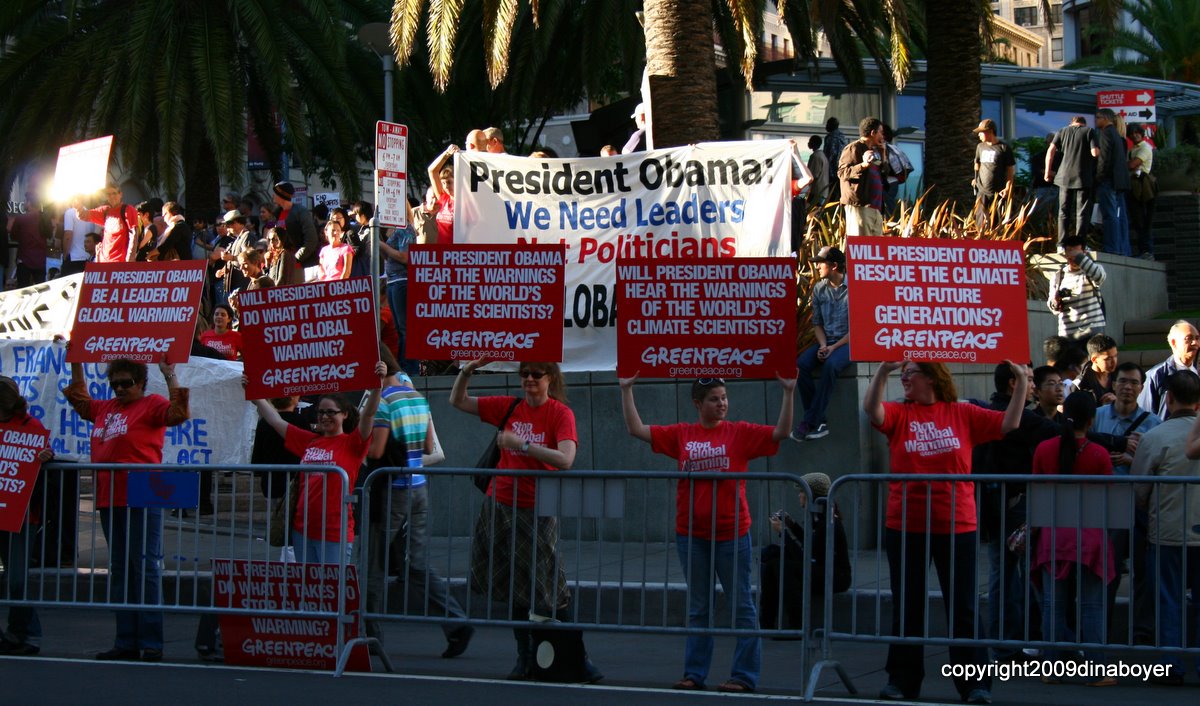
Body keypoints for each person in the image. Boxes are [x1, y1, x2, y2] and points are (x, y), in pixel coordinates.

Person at [864, 359, 1029, 704]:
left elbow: (1009, 423)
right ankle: (902, 681)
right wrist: (882, 371)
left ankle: (974, 684)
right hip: (906, 525)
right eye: (903, 373)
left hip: (957, 525)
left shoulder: (962, 412)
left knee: (963, 605)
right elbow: (872, 410)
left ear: (932, 378)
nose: (904, 378)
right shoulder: (899, 413)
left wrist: (1021, 381)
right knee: (907, 604)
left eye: (910, 373)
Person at [619, 374, 797, 693]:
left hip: (732, 534)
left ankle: (744, 676)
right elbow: (636, 429)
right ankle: (694, 674)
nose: (722, 404)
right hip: (691, 535)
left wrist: (788, 392)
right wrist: (626, 389)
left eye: (724, 397)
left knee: (742, 605)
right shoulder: (682, 434)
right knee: (699, 608)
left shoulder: (739, 432)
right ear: (697, 404)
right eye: (714, 399)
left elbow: (781, 432)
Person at [450, 359, 600, 682]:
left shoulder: (560, 413)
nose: (529, 379)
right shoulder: (510, 406)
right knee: (516, 586)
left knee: (550, 585)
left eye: (536, 374)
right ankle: (525, 657)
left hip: (538, 506)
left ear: (550, 378)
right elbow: (458, 401)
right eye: (524, 374)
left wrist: (524, 445)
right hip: (501, 503)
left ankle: (578, 657)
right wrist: (468, 370)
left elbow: (566, 459)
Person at [66, 356, 190, 661]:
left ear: (141, 383)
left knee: (144, 566)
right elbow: (81, 401)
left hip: (143, 490)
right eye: (115, 384)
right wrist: (76, 362)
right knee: (121, 568)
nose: (120, 389)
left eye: (126, 383)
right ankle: (126, 640)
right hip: (110, 494)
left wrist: (170, 375)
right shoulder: (106, 408)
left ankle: (151, 641)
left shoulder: (151, 404)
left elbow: (178, 414)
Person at [364, 347, 474, 658]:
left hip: (391, 488)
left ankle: (369, 634)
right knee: (415, 563)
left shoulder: (384, 402)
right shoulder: (417, 398)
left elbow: (376, 451)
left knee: (372, 562)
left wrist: (360, 439)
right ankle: (456, 621)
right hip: (418, 487)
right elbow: (427, 446)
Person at [246, 362, 385, 562]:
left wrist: (377, 386)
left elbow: (369, 414)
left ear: (345, 414)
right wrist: (255, 395)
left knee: (333, 581)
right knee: (307, 581)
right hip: (302, 530)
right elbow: (276, 421)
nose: (325, 417)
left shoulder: (353, 443)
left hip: (334, 531)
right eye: (321, 412)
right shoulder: (309, 441)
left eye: (331, 412)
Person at [1032, 391, 1117, 685]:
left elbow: (1036, 492)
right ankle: (1096, 670)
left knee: (1053, 605)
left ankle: (1050, 667)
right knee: (1092, 606)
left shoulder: (1044, 449)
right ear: (1091, 420)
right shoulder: (1099, 454)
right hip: (1090, 537)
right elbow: (1107, 499)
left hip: (1052, 536)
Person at [1133, 370, 1200, 684]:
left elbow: (1139, 490)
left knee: (1168, 598)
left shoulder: (1154, 437)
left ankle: (1171, 664)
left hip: (1168, 531)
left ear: (1168, 399)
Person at [1093, 361, 1160, 644]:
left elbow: (1159, 466)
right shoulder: (1096, 417)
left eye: (1134, 382)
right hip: (1105, 503)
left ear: (1141, 388)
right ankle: (1101, 631)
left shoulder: (1153, 423)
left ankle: (1142, 633)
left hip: (1141, 503)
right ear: (1113, 383)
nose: (1128, 387)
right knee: (1106, 570)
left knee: (1143, 571)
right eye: (1123, 381)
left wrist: (1134, 460)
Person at [0, 376, 54, 656]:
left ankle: (25, 633)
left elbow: (40, 460)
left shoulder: (30, 427)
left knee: (17, 579)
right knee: (12, 578)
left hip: (22, 514)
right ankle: (16, 634)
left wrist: (47, 457)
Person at [759, 472, 851, 632]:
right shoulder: (820, 516)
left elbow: (804, 557)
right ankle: (766, 623)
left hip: (836, 577)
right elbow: (811, 545)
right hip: (823, 571)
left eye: (802, 491)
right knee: (772, 560)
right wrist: (792, 525)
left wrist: (783, 532)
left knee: (783, 567)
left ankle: (796, 626)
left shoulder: (827, 522)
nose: (799, 495)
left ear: (811, 495)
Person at [792, 245, 849, 441]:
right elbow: (817, 323)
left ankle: (809, 422)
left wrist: (833, 348)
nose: (816, 267)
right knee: (801, 365)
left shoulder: (855, 288)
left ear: (833, 266)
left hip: (847, 343)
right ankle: (818, 422)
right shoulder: (819, 288)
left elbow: (858, 330)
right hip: (827, 341)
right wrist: (824, 345)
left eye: (820, 263)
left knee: (831, 366)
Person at [1045, 116, 1098, 245]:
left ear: (1072, 123)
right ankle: (1080, 244)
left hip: (1064, 176)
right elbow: (1095, 153)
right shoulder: (1089, 131)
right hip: (1082, 176)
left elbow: (1050, 151)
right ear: (1084, 124)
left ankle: (1061, 244)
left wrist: (1047, 172)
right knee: (1082, 212)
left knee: (1063, 211)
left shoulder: (1062, 131)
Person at [1048, 234, 1106, 345]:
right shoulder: (1058, 276)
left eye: (1077, 256)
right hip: (1068, 333)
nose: (1074, 260)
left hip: (1092, 329)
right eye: (1070, 256)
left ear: (1084, 253)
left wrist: (1080, 258)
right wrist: (1056, 300)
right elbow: (1053, 308)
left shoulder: (1091, 270)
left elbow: (1099, 276)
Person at [838, 117, 889, 236]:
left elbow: (883, 174)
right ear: (873, 133)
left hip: (876, 208)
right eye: (881, 132)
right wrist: (863, 165)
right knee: (861, 244)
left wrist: (883, 154)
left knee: (875, 246)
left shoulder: (873, 151)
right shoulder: (853, 148)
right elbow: (842, 173)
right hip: (860, 207)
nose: (883, 136)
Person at [1140, 320, 1200, 419]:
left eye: (1197, 338)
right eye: (1189, 338)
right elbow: (1145, 416)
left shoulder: (1197, 374)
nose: (1195, 343)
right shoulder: (1156, 375)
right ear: (1174, 343)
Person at [1094, 108, 1132, 256]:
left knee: (1109, 215)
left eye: (1098, 117)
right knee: (1119, 215)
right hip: (1120, 182)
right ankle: (1122, 248)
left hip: (1109, 180)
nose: (1096, 120)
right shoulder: (1118, 136)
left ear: (1105, 118)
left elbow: (1104, 158)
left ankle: (1112, 247)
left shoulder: (1106, 133)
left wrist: (1099, 176)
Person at [73, 184, 138, 263]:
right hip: (104, 261)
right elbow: (83, 215)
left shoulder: (128, 210)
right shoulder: (105, 211)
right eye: (108, 194)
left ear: (120, 194)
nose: (111, 196)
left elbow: (134, 235)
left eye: (114, 193)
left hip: (120, 261)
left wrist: (130, 259)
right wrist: (78, 204)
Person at [971, 119, 1015, 229]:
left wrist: (1007, 188)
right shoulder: (980, 147)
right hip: (982, 191)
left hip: (998, 192)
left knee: (997, 223)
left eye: (981, 132)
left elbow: (1010, 170)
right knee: (980, 223)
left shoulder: (1004, 148)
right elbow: (977, 163)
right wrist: (975, 178)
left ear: (990, 131)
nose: (979, 135)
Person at [272, 181, 320, 268]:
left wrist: (296, 258)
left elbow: (311, 240)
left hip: (298, 266)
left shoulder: (301, 212)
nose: (273, 195)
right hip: (282, 264)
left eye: (275, 193)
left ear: (282, 195)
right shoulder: (278, 213)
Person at [1127, 124, 1157, 259]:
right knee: (1138, 220)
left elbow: (1133, 164)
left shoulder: (1145, 147)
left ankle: (1148, 251)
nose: (1135, 135)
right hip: (1134, 186)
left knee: (1145, 220)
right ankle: (1143, 251)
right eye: (1132, 133)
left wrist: (1127, 164)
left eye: (1137, 133)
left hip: (1144, 186)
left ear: (1141, 133)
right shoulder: (1132, 149)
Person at [428, 145, 459, 243]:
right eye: (443, 183)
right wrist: (447, 154)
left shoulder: (464, 200)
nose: (446, 186)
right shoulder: (443, 197)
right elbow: (432, 171)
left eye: (449, 182)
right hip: (441, 249)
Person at [1077, 334, 1118, 405]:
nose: (1114, 362)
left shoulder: (1120, 375)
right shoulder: (1081, 383)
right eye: (1108, 359)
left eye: (1115, 356)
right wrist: (1101, 408)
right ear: (1094, 359)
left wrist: (1118, 401)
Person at [61, 202, 97, 275]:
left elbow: (68, 235)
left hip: (73, 257)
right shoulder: (89, 213)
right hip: (87, 258)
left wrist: (65, 255)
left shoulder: (69, 213)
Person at [823, 117, 849, 198]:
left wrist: (828, 172)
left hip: (832, 173)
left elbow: (829, 156)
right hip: (842, 170)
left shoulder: (830, 138)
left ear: (831, 125)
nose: (826, 126)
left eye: (827, 124)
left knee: (831, 196)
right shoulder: (843, 138)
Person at [806, 135, 830, 206]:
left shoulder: (815, 156)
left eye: (810, 141)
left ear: (814, 143)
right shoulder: (822, 155)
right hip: (823, 191)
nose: (808, 143)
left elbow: (813, 175)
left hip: (817, 192)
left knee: (809, 210)